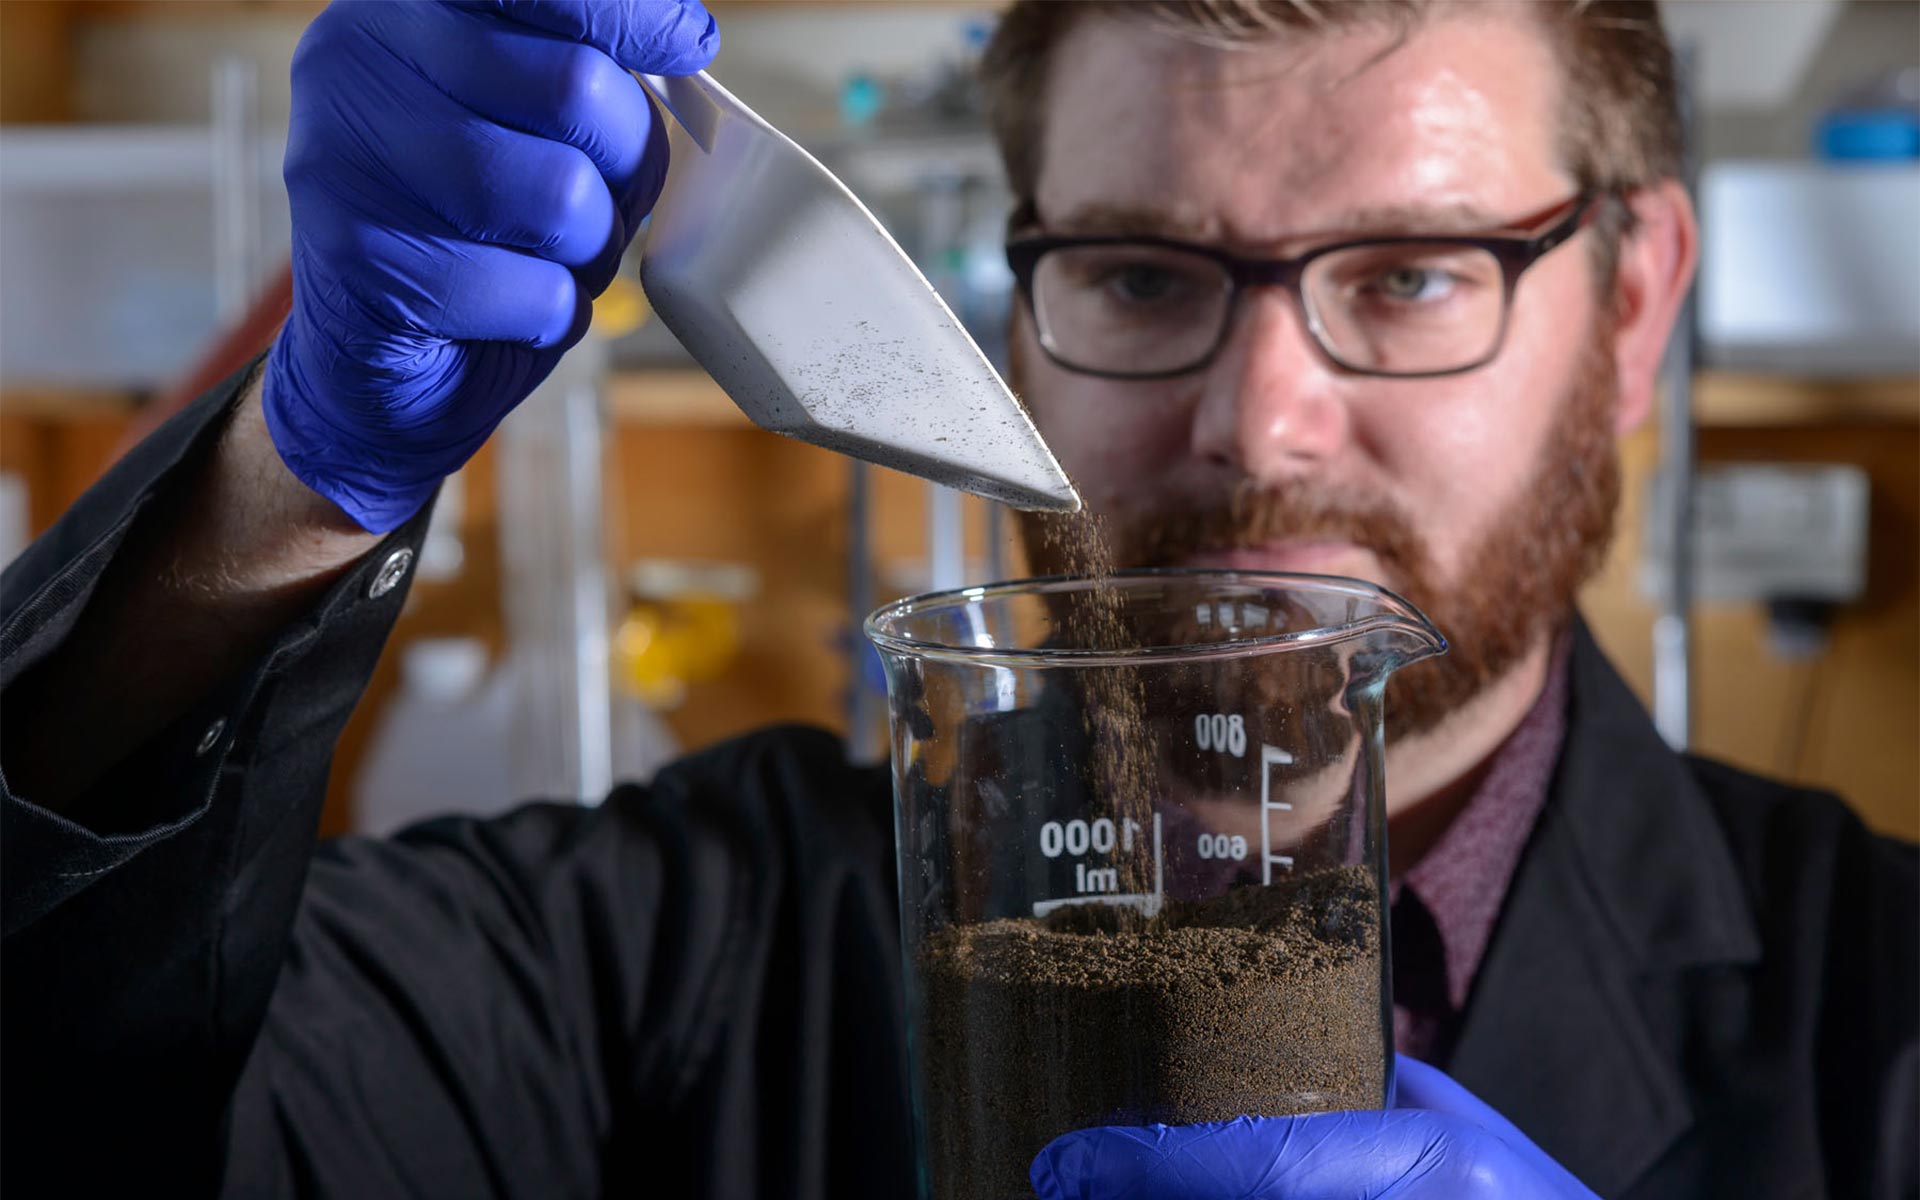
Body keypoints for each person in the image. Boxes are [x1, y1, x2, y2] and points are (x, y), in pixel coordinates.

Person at [2, 0, 1912, 1196]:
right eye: (1145, 275)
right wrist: (291, 485)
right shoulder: (673, 950)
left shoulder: (1885, 1016)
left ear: (1638, 301)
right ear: (1019, 304)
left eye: (1410, 275)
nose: (1259, 418)